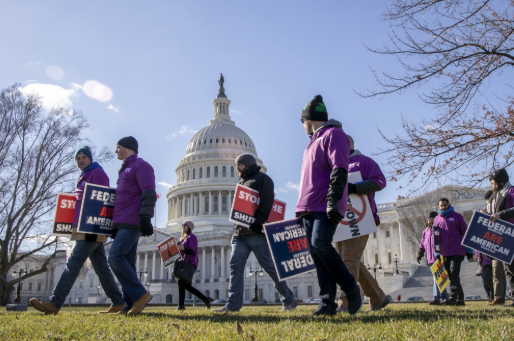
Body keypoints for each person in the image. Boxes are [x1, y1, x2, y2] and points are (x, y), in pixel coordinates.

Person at [29, 146, 125, 315]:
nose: (81, 160)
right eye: (78, 158)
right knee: (101, 267)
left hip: (91, 226)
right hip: (81, 225)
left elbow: (102, 199)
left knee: (73, 263)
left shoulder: (97, 173)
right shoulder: (84, 176)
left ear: (90, 159)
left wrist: (94, 227)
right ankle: (118, 302)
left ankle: (55, 302)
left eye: (84, 157)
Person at [295, 95, 362, 316]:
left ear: (309, 119)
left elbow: (340, 168)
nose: (302, 124)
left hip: (324, 204)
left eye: (302, 120)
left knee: (321, 244)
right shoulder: (311, 143)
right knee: (317, 254)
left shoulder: (334, 135)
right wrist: (300, 209)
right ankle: (327, 303)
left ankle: (351, 289)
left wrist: (333, 200)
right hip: (308, 207)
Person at [213, 154, 296, 313]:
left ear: (248, 165)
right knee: (235, 266)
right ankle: (233, 304)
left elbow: (267, 203)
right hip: (239, 233)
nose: (237, 168)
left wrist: (259, 222)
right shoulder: (242, 181)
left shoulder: (264, 179)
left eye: (240, 165)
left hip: (255, 233)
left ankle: (288, 299)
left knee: (269, 267)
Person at [336, 136, 391, 313]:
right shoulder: (334, 167)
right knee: (350, 261)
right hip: (339, 221)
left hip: (361, 218)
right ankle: (377, 298)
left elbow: (380, 181)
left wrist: (355, 188)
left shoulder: (364, 162)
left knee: (349, 260)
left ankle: (346, 302)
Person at [107, 136, 157, 315]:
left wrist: (145, 216)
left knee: (114, 257)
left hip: (132, 221)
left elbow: (149, 191)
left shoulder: (140, 165)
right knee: (127, 262)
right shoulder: (124, 169)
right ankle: (129, 304)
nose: (115, 151)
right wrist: (115, 226)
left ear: (128, 148)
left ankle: (140, 295)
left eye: (118, 147)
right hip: (123, 221)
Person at [434, 198, 473, 306]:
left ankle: (452, 297)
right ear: (439, 207)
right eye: (441, 205)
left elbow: (466, 233)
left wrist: (469, 250)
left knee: (454, 273)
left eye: (445, 205)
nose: (443, 207)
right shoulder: (437, 219)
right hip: (445, 252)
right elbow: (436, 237)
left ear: (448, 205)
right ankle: (460, 299)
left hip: (457, 250)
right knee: (450, 275)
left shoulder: (457, 217)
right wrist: (436, 253)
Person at [488, 168, 514, 306]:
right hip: (503, 237)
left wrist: (501, 214)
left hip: (512, 235)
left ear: (500, 182)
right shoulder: (498, 196)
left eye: (493, 183)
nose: (492, 186)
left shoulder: (511, 191)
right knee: (509, 269)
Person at [176, 221, 214, 310]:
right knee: (187, 286)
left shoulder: (192, 237)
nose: (182, 227)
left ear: (188, 227)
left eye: (184, 225)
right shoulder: (183, 239)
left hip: (190, 264)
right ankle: (205, 299)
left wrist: (183, 248)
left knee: (181, 282)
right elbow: (181, 253)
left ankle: (181, 306)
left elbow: (192, 250)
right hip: (185, 263)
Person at [417, 211, 448, 305]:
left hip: (439, 256)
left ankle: (438, 298)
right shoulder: (425, 231)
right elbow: (422, 244)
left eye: (431, 217)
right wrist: (419, 254)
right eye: (428, 217)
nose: (429, 219)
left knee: (438, 278)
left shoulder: (440, 228)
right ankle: (442, 297)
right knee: (438, 278)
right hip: (430, 258)